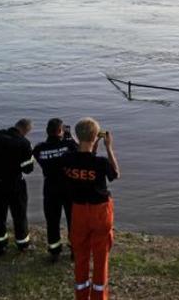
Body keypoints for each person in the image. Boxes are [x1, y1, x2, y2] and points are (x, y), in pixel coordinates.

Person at [61, 117, 120, 300]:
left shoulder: (67, 159)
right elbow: (115, 173)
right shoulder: (100, 163)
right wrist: (108, 147)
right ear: (96, 137)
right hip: (100, 211)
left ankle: (81, 294)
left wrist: (92, 147)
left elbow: (83, 162)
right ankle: (98, 296)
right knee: (101, 257)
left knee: (81, 254)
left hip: (78, 210)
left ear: (77, 137)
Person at [0, 118, 34, 256]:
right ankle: (22, 245)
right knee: (19, 215)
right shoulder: (24, 143)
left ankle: (1, 245)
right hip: (15, 185)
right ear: (26, 130)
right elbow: (28, 169)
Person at [33, 118, 78, 261]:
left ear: (47, 131)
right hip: (69, 187)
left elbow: (41, 158)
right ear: (60, 131)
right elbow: (80, 155)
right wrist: (70, 138)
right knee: (73, 220)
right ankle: (75, 251)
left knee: (52, 220)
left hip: (50, 187)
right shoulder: (69, 144)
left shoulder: (39, 148)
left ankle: (54, 251)